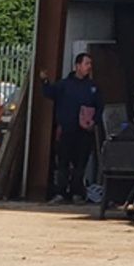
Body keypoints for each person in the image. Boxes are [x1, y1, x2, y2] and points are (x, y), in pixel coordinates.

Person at [41, 52, 101, 204]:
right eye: (86, 64)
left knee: (80, 165)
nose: (89, 67)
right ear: (77, 66)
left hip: (84, 132)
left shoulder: (92, 86)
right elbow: (49, 93)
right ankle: (61, 193)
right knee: (63, 164)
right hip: (67, 131)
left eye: (90, 64)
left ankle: (77, 193)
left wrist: (94, 121)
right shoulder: (64, 85)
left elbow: (100, 107)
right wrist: (44, 81)